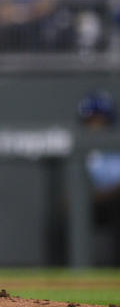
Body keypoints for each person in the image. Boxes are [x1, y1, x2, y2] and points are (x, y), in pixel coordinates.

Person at [78, 90, 120, 264]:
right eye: (91, 120)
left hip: (114, 202)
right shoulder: (81, 146)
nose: (95, 125)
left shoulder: (115, 142)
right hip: (91, 202)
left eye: (100, 119)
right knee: (65, 216)